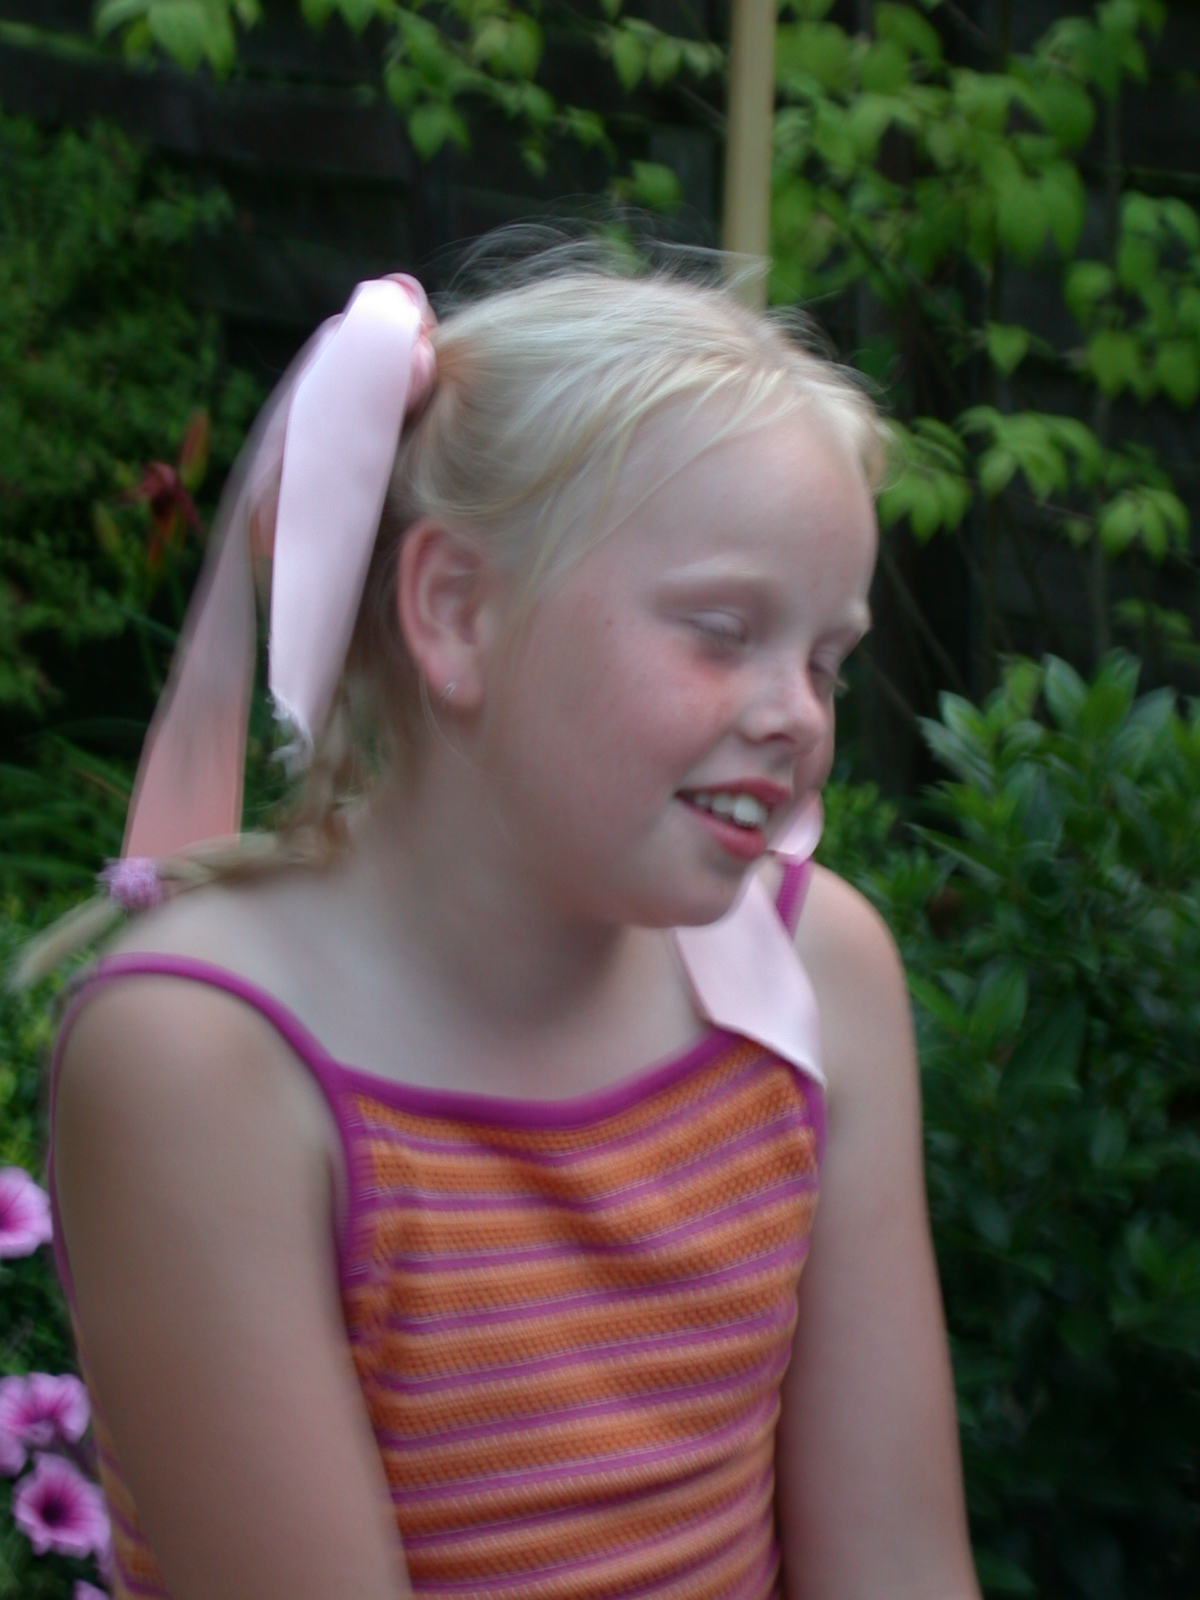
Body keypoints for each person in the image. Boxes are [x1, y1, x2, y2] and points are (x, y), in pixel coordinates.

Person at [40, 258, 981, 1600]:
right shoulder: (209, 1060)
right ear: (456, 611)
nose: (799, 716)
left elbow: (897, 1563)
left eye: (827, 660)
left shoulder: (814, 969)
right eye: (724, 632)